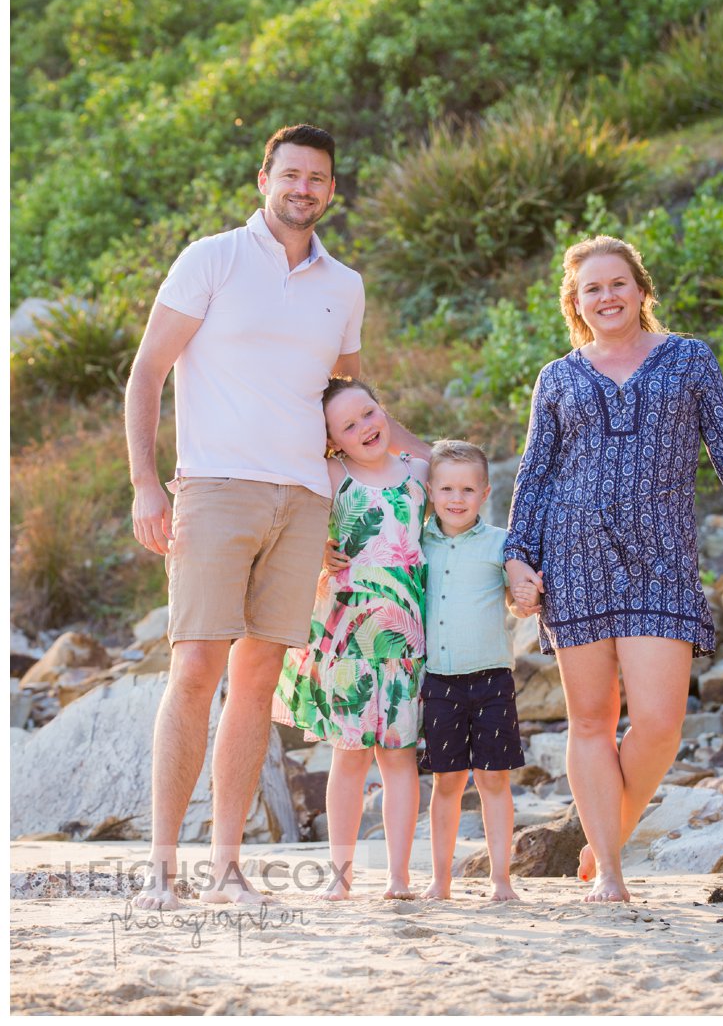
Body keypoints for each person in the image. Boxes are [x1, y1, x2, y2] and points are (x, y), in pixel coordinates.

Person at [125, 124, 426, 910]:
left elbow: (348, 404)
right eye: (290, 174)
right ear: (265, 177)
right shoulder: (212, 258)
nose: (304, 188)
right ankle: (162, 868)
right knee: (195, 669)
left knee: (256, 681)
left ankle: (227, 870)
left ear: (332, 190)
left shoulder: (344, 285)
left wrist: (438, 461)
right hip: (215, 488)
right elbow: (148, 371)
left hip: (306, 502)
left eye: (318, 179)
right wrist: (146, 486)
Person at [505, 235, 723, 903]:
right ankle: (609, 872)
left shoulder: (688, 361)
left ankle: (608, 831)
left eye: (618, 283)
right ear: (575, 302)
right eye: (592, 288)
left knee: (661, 721)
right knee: (589, 720)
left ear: (641, 290)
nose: (607, 296)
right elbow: (536, 475)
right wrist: (518, 557)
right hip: (573, 556)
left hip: (660, 559)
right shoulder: (558, 377)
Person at [272, 378, 431, 899]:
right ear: (333, 441)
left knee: (399, 760)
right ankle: (340, 879)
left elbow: (461, 485)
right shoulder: (331, 475)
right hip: (345, 643)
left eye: (370, 412)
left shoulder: (419, 474)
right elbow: (286, 512)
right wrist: (318, 546)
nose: (366, 427)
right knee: (349, 759)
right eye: (349, 424)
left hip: (404, 646)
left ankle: (398, 878)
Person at [414, 439, 534, 904]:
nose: (456, 498)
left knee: (493, 779)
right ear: (430, 491)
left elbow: (519, 595)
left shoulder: (501, 543)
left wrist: (527, 597)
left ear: (485, 493)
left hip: (491, 680)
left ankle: (501, 880)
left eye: (467, 489)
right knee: (447, 782)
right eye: (446, 488)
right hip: (440, 680)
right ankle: (440, 881)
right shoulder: (418, 541)